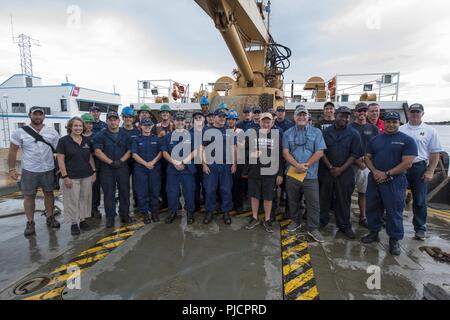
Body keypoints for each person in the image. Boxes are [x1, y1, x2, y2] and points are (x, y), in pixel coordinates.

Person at [362, 112, 417, 256]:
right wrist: (374, 171)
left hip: (395, 181)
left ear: (399, 123)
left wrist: (387, 174)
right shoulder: (375, 140)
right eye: (388, 122)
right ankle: (374, 232)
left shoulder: (407, 140)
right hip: (375, 178)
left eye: (394, 122)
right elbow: (367, 157)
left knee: (394, 211)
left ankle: (394, 240)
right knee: (373, 207)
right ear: (384, 123)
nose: (391, 124)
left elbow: (407, 162)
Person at [8, 106, 61, 236]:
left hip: (48, 168)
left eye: (40, 114)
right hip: (29, 169)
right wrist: (12, 168)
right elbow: (13, 150)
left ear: (44, 116)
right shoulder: (20, 132)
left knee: (49, 194)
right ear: (30, 115)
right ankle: (30, 222)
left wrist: (61, 168)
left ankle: (50, 217)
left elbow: (60, 151)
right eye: (35, 114)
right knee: (28, 196)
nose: (38, 117)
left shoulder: (52, 132)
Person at [282, 105, 326, 242]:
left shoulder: (316, 132)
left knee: (313, 203)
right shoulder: (287, 133)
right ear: (294, 118)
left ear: (308, 118)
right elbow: (285, 152)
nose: (301, 117)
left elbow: (320, 152)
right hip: (292, 173)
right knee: (293, 200)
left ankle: (313, 228)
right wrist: (296, 165)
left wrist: (306, 165)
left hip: (310, 174)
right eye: (298, 115)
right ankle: (295, 221)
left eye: (304, 115)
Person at [400, 103, 443, 240]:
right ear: (408, 113)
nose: (415, 114)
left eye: (418, 112)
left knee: (419, 200)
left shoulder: (430, 131)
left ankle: (419, 228)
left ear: (422, 114)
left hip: (419, 167)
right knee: (397, 198)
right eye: (412, 111)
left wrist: (430, 171)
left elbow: (435, 153)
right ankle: (394, 224)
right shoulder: (400, 129)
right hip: (402, 167)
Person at [319, 106, 363, 239]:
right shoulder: (326, 132)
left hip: (345, 172)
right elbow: (321, 151)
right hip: (327, 171)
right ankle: (322, 222)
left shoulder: (354, 133)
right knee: (324, 198)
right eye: (342, 115)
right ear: (336, 115)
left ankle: (344, 225)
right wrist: (331, 167)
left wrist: (341, 169)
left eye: (347, 116)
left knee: (344, 200)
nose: (344, 118)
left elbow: (355, 154)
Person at [56, 117, 96, 235]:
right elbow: (60, 159)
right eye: (75, 126)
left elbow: (90, 157)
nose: (78, 128)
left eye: (80, 126)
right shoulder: (63, 141)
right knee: (72, 200)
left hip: (86, 175)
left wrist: (94, 171)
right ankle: (74, 223)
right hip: (71, 176)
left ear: (83, 127)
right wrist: (65, 176)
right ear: (70, 127)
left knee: (85, 198)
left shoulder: (86, 140)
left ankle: (83, 220)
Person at [245, 113, 284, 233]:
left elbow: (280, 156)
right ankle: (254, 217)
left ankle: (267, 219)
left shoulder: (276, 136)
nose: (266, 124)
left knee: (268, 197)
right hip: (255, 171)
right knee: (254, 196)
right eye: (263, 122)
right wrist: (251, 154)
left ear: (272, 123)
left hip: (271, 172)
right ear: (259, 122)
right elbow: (244, 151)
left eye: (268, 122)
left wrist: (280, 174)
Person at [93, 111, 133, 228]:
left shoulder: (126, 135)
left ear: (118, 121)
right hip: (107, 168)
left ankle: (124, 214)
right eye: (110, 120)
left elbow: (129, 150)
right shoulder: (101, 135)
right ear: (107, 121)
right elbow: (97, 151)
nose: (113, 122)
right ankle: (110, 217)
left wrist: (121, 161)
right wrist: (110, 162)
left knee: (124, 192)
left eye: (115, 119)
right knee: (108, 193)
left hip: (122, 167)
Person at [202, 108, 237, 225]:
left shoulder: (229, 131)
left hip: (226, 165)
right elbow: (202, 148)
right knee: (210, 189)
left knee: (226, 189)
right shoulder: (207, 131)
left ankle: (226, 212)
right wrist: (204, 164)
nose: (223, 118)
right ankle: (209, 211)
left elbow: (233, 148)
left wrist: (234, 163)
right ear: (214, 117)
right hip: (211, 165)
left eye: (224, 117)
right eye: (220, 116)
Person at [162, 112, 197, 224]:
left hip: (188, 169)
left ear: (185, 122)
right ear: (174, 121)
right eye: (178, 120)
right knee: (172, 192)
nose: (180, 122)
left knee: (189, 191)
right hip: (173, 169)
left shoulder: (191, 135)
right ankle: (173, 212)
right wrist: (175, 163)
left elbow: (195, 151)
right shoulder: (168, 136)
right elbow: (164, 152)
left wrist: (182, 162)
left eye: (182, 120)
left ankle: (190, 212)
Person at [350, 103, 380, 228]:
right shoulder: (349, 127)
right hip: (352, 164)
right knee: (347, 192)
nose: (362, 114)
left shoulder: (374, 129)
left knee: (364, 193)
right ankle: (345, 217)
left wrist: (367, 161)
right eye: (359, 111)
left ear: (367, 113)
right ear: (355, 113)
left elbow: (377, 148)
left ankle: (363, 217)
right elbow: (346, 148)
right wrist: (357, 161)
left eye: (364, 111)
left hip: (367, 165)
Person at [131, 118, 162, 224]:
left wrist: (152, 162)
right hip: (141, 169)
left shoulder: (156, 138)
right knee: (142, 192)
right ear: (141, 126)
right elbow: (134, 154)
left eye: (149, 125)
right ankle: (144, 213)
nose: (147, 127)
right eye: (145, 125)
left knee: (154, 191)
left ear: (152, 126)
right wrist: (146, 164)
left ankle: (154, 212)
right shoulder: (136, 139)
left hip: (154, 168)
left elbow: (161, 152)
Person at [156, 104, 174, 209]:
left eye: (167, 112)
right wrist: (159, 136)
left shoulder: (174, 125)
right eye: (163, 112)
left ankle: (176, 200)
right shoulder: (156, 127)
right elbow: (152, 140)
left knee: (173, 179)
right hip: (160, 157)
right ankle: (164, 200)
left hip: (172, 155)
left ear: (170, 115)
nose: (165, 114)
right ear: (160, 114)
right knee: (162, 179)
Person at [227, 109, 245, 213]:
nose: (231, 121)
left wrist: (234, 140)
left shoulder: (240, 131)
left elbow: (243, 145)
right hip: (227, 161)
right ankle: (229, 203)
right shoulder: (223, 130)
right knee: (228, 184)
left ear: (236, 121)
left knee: (238, 184)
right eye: (229, 119)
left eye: (233, 119)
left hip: (238, 161)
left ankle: (238, 204)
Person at [190, 111, 206, 212]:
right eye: (196, 118)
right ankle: (196, 205)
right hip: (194, 162)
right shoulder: (189, 132)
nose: (198, 119)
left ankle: (205, 202)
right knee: (194, 186)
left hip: (206, 162)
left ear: (204, 119)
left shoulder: (208, 131)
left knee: (206, 185)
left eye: (200, 117)